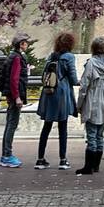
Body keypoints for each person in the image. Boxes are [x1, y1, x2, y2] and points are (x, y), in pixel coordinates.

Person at [34, 32, 79, 169]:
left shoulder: (51, 56)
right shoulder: (69, 57)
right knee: (62, 127)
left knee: (46, 127)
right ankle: (63, 160)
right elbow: (73, 79)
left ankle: (40, 159)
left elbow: (44, 76)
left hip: (48, 93)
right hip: (61, 94)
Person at [76, 37, 104, 174]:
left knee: (91, 135)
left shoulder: (91, 63)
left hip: (92, 100)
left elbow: (84, 85)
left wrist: (79, 104)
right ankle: (96, 165)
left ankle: (88, 166)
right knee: (100, 135)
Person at [0, 34, 30, 167]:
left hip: (11, 95)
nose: (27, 45)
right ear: (21, 44)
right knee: (12, 125)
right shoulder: (17, 58)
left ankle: (5, 155)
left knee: (9, 125)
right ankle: (7, 155)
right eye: (25, 43)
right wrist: (17, 97)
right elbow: (14, 79)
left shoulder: (12, 56)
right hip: (15, 96)